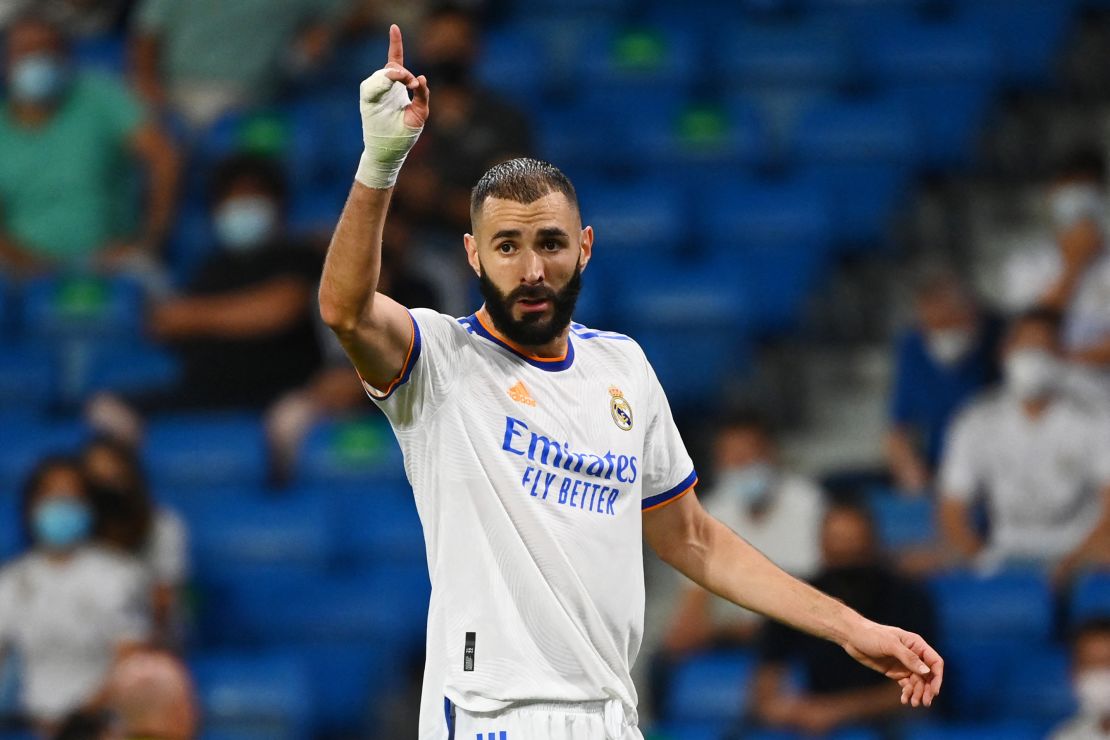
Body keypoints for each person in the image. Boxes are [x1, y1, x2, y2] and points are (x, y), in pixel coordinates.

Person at [317, 26, 943, 738]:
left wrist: (847, 626)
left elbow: (696, 541)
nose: (531, 270)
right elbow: (344, 309)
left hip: (611, 716)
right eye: (507, 246)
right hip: (492, 718)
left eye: (550, 243)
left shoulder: (624, 368)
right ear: (473, 256)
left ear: (584, 248)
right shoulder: (439, 360)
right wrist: (380, 165)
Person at [87, 153, 325, 442]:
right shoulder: (210, 267)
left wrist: (195, 316)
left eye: (253, 196)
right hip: (204, 390)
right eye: (232, 199)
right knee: (107, 409)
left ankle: (282, 488)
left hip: (280, 390)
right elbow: (163, 322)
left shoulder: (300, 255)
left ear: (278, 205)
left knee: (293, 419)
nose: (242, 207)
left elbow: (281, 308)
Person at [0, 13, 179, 276]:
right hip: (20, 264)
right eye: (24, 51)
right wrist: (26, 262)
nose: (35, 59)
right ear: (6, 61)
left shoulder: (101, 98)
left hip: (109, 260)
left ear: (67, 56)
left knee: (145, 286)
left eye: (46, 49)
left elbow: (163, 157)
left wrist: (150, 239)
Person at [938, 308, 1110, 580]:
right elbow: (952, 509)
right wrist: (982, 562)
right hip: (1003, 552)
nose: (1033, 357)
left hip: (1079, 552)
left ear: (1061, 355)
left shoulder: (1095, 419)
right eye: (1026, 346)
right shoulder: (975, 420)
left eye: (1043, 348)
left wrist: (1075, 562)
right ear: (1005, 352)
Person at [751, 502, 937, 737]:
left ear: (873, 543)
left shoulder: (906, 598)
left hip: (888, 726)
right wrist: (791, 711)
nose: (847, 554)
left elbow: (920, 687)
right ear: (822, 545)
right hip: (814, 723)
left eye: (855, 545)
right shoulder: (797, 598)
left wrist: (837, 710)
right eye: (838, 543)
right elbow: (765, 690)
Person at [0, 456, 150, 729]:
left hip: (104, 726)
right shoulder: (12, 581)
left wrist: (78, 723)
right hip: (35, 726)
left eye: (71, 497)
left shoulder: (119, 575)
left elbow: (131, 661)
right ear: (31, 506)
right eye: (51, 496)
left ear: (89, 507)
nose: (61, 506)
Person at [662, 410, 825, 652]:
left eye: (748, 456)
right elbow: (692, 606)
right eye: (732, 459)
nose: (741, 466)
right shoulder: (708, 513)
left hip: (799, 637)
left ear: (771, 454)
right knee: (662, 661)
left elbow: (815, 597)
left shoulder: (810, 505)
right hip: (729, 640)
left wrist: (724, 629)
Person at [392, 3, 534, 241]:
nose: (448, 51)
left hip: (478, 246)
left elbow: (510, 207)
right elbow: (369, 191)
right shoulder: (396, 114)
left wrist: (437, 196)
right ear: (422, 46)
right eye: (439, 41)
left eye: (456, 42)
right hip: (404, 245)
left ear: (475, 49)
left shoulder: (504, 119)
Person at [130, 0, 353, 129]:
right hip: (178, 93)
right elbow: (147, 33)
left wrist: (323, 33)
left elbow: (350, 11)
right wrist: (148, 89)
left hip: (251, 101)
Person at [1002, 148, 1110, 406]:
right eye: (1070, 187)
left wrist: (1059, 356)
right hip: (1042, 402)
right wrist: (1074, 267)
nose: (1080, 198)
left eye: (1088, 188)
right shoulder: (1024, 266)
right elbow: (1024, 339)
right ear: (1052, 195)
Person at [885, 269, 1002, 494]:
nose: (941, 334)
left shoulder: (1002, 339)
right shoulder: (913, 347)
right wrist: (909, 469)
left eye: (949, 323)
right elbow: (897, 429)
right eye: (931, 326)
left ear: (972, 314)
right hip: (943, 471)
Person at [79, 436, 188, 646]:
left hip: (152, 638)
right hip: (86, 638)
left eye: (113, 474)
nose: (106, 485)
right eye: (96, 479)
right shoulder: (77, 527)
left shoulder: (163, 526)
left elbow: (166, 598)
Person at [1053, 617, 1110, 739]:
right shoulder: (1066, 735)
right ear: (1072, 674)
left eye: (1107, 664)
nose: (1100, 676)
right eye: (1089, 665)